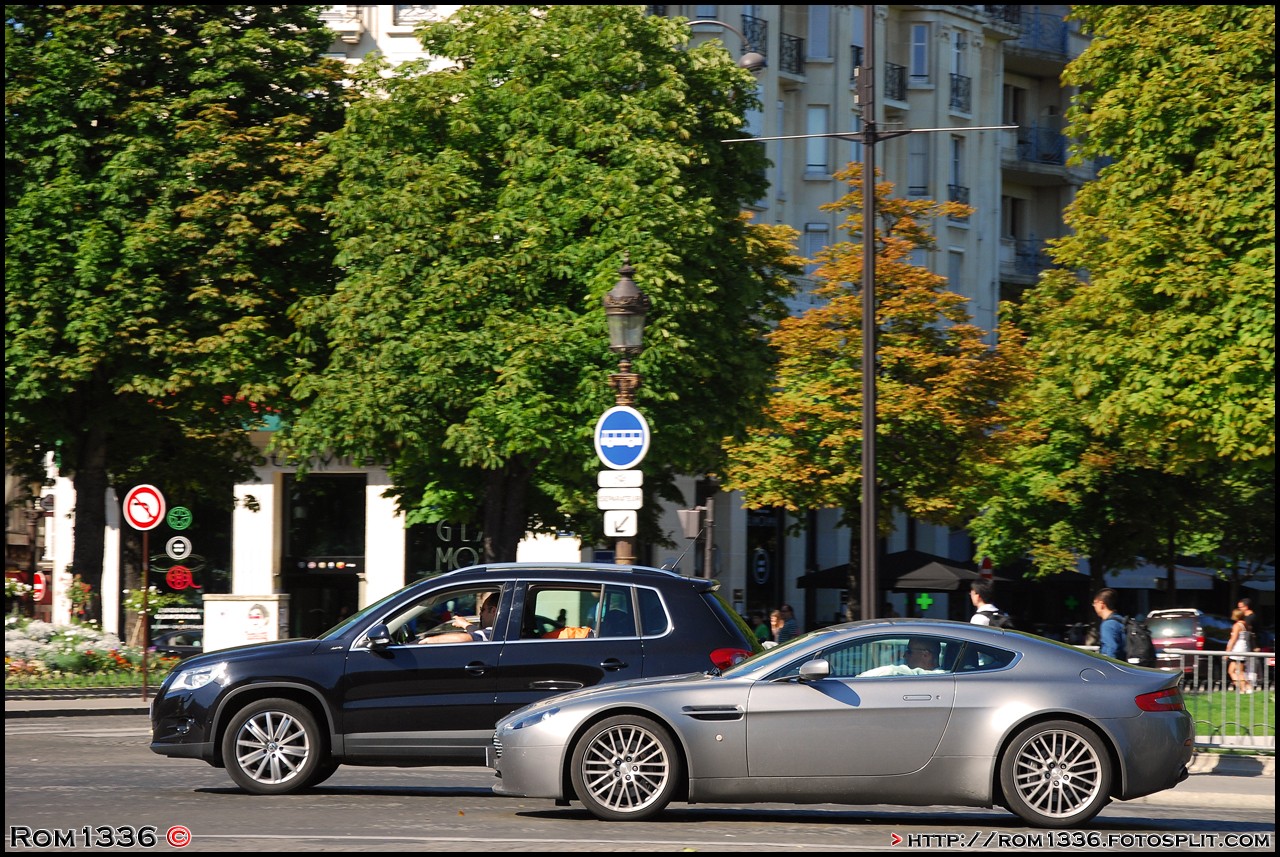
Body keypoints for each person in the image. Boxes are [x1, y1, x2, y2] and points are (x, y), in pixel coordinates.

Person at [420, 592, 498, 644]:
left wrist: (429, 640)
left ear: (493, 611)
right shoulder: (502, 632)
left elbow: (469, 638)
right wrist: (464, 624)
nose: (480, 613)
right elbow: (479, 634)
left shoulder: (498, 632)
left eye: (482, 610)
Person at [859, 637, 945, 677]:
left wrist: (859, 678)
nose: (904, 656)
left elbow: (892, 671)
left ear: (925, 655)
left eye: (909, 651)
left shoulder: (939, 676)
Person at [1092, 588, 1126, 661]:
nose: (1094, 606)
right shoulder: (1120, 620)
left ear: (1101, 604)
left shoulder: (1108, 625)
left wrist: (1108, 668)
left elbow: (1111, 649)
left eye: (1095, 603)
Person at [1227, 608, 1255, 693]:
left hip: (1237, 650)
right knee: (1231, 671)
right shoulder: (1245, 625)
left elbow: (1233, 639)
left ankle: (1246, 688)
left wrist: (1227, 651)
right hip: (1243, 648)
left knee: (1239, 671)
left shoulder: (1237, 626)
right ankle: (1243, 688)